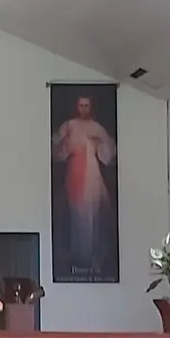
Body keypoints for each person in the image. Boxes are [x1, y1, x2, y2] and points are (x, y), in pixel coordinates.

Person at [53, 95, 117, 271]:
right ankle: (80, 260)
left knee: (95, 217)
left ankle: (93, 259)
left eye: (86, 105)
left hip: (92, 177)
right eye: (80, 105)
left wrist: (99, 143)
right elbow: (56, 149)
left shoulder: (97, 128)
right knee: (77, 218)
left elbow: (109, 153)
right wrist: (66, 143)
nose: (83, 109)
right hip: (75, 175)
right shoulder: (69, 126)